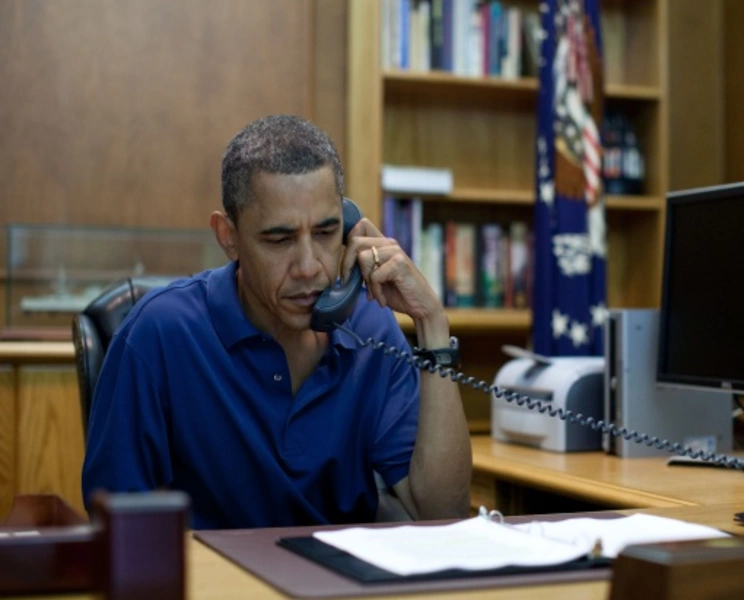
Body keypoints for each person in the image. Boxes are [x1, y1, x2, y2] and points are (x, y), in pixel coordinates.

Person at [81, 115, 472, 529]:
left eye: (325, 233)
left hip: (341, 586)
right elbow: (117, 527)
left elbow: (441, 516)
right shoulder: (158, 333)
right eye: (279, 240)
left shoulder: (372, 329)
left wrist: (432, 322)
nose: (309, 267)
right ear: (228, 236)